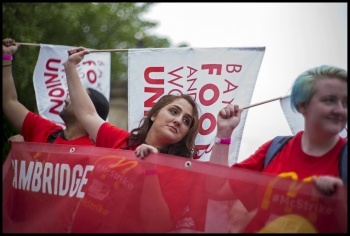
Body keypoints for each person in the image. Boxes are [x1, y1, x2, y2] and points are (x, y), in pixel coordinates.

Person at [63, 47, 201, 232]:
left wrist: (151, 169)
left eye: (186, 121)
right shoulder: (121, 141)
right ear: (153, 115)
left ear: (185, 133)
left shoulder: (179, 170)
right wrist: (71, 66)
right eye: (173, 111)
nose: (178, 121)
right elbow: (87, 113)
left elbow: (158, 226)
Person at [207, 65, 347, 232]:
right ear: (303, 106)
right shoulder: (275, 148)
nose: (340, 110)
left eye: (346, 102)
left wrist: (340, 202)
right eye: (329, 100)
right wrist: (224, 132)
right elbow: (217, 189)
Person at [2, 38, 110, 146]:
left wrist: (24, 154)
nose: (66, 100)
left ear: (89, 109)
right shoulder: (45, 131)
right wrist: (6, 56)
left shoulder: (95, 155)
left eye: (76, 99)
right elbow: (9, 102)